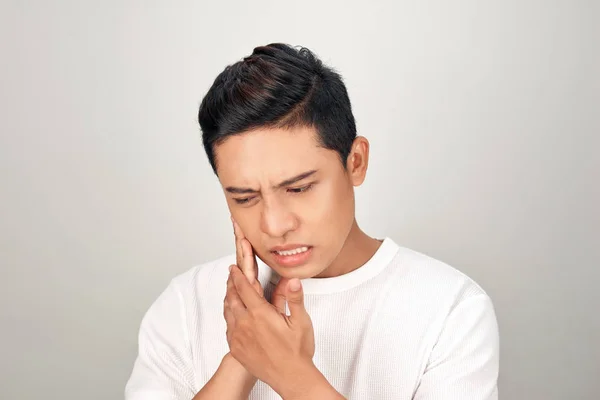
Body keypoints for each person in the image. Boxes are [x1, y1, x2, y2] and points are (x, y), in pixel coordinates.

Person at [124, 43, 499, 400]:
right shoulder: (185, 304)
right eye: (244, 198)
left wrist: (292, 375)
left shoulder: (450, 308)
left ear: (356, 162)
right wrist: (242, 357)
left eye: (299, 189)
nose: (274, 225)